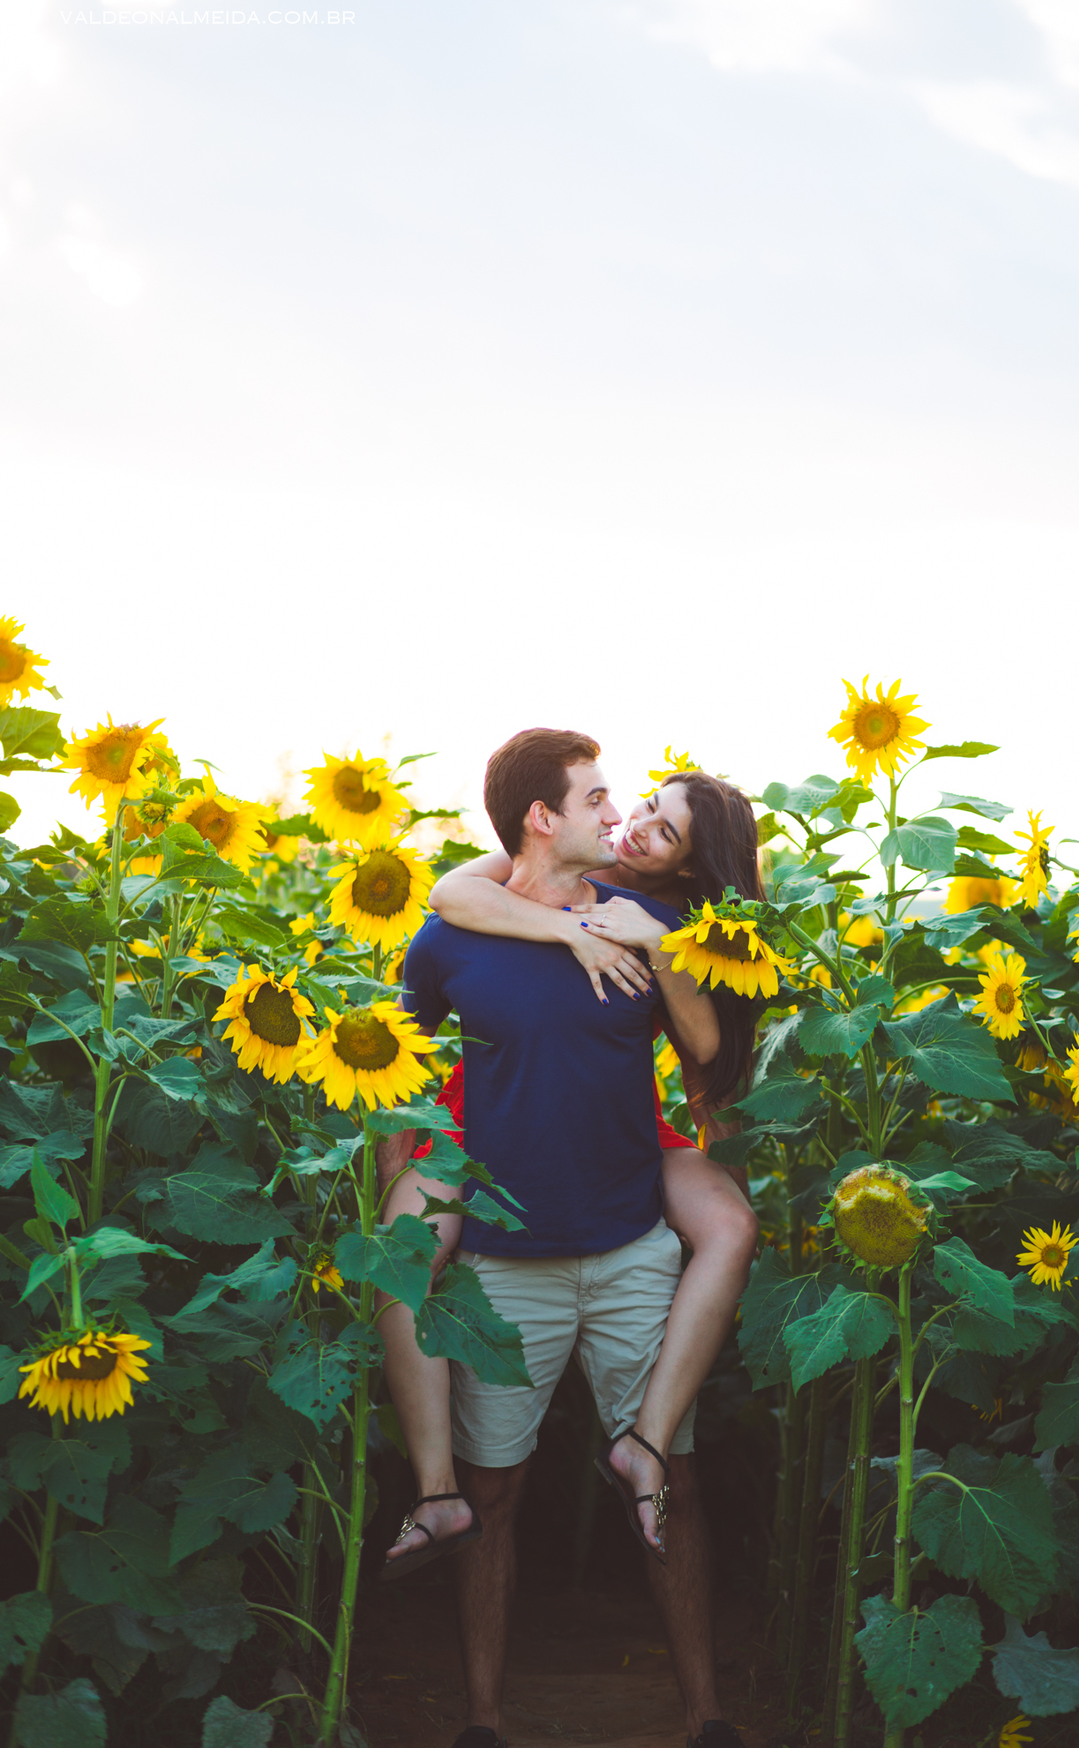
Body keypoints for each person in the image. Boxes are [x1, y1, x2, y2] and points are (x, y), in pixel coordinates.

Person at [375, 729, 753, 1748]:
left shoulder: (651, 917)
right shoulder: (455, 931)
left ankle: (706, 1717)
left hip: (632, 1243)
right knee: (493, 1493)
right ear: (543, 817)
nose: (616, 815)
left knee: (672, 1479)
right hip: (506, 1263)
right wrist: (398, 1195)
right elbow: (402, 1071)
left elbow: (710, 1054)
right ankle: (485, 1720)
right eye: (597, 798)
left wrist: (643, 941)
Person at [413, 764, 763, 1556]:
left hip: (619, 1124)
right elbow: (451, 895)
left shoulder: (683, 927)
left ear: (690, 868)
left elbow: (708, 1064)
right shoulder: (563, 863)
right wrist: (569, 927)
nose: (637, 825)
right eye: (645, 806)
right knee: (410, 1258)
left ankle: (648, 1438)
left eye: (665, 831)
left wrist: (664, 948)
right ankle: (434, 1487)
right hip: (499, 1108)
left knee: (732, 1224)